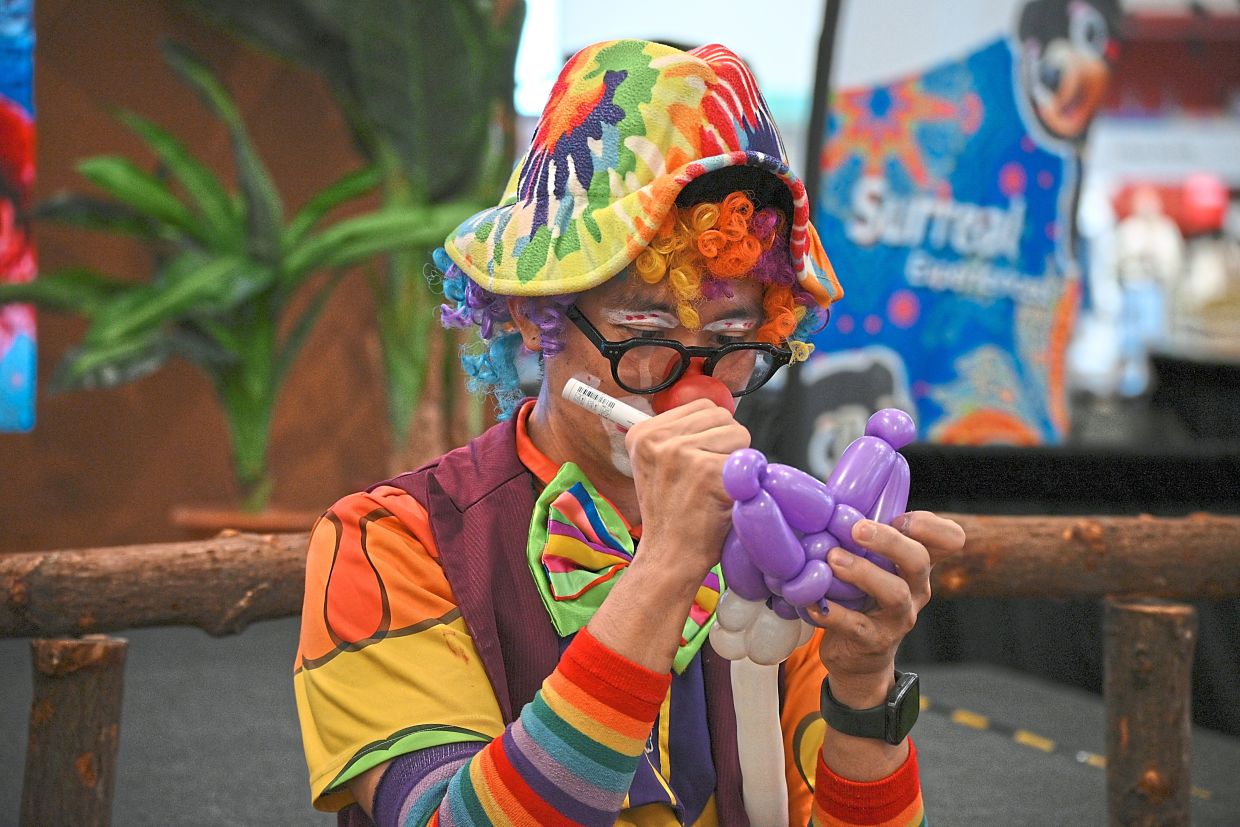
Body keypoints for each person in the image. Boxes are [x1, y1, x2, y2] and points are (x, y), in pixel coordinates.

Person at [294, 39, 965, 827]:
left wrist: (863, 687)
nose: (700, 387)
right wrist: (668, 563)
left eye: (732, 338)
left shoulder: (785, 552)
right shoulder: (389, 543)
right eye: (645, 332)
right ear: (532, 312)